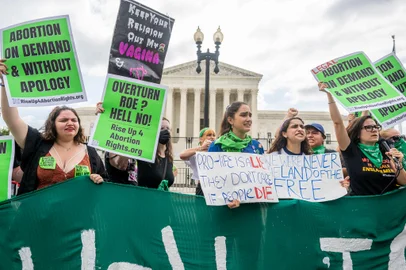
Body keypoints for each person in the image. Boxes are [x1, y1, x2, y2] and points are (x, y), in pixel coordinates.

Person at [0, 60, 106, 195]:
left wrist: (97, 180)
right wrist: (5, 83)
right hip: (39, 214)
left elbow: (104, 183)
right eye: (63, 120)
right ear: (53, 125)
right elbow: (11, 119)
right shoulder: (37, 143)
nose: (70, 123)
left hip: (78, 215)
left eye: (74, 120)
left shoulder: (90, 152)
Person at [319, 82, 406, 195]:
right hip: (361, 207)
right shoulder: (351, 150)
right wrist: (329, 95)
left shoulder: (386, 150)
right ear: (358, 133)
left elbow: (403, 182)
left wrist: (398, 164)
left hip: (388, 208)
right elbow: (338, 123)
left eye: (375, 127)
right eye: (368, 127)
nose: (374, 130)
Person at [96, 102, 174, 189]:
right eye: (161, 129)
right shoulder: (119, 147)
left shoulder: (166, 156)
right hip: (124, 197)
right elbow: (120, 165)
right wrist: (105, 115)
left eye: (168, 129)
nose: (165, 131)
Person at [208, 101, 264, 208]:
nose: (248, 119)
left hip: (252, 207)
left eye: (250, 115)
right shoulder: (217, 146)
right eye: (243, 115)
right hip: (226, 209)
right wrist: (225, 199)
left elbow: (261, 178)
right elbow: (212, 181)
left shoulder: (257, 146)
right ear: (230, 120)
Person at [180, 127, 216, 196]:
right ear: (201, 139)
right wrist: (202, 148)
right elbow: (182, 155)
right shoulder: (196, 154)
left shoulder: (217, 151)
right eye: (209, 135)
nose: (212, 137)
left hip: (216, 186)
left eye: (214, 135)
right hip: (202, 187)